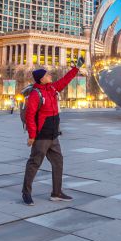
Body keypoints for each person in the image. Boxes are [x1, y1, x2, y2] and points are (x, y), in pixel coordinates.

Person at [21, 58, 83, 206]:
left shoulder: (52, 89)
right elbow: (30, 116)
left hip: (54, 135)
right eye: (47, 75)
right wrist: (32, 136)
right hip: (41, 136)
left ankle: (56, 193)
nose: (50, 76)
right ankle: (26, 193)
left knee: (58, 162)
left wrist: (76, 69)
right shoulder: (36, 94)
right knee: (34, 163)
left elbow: (65, 80)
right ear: (41, 79)